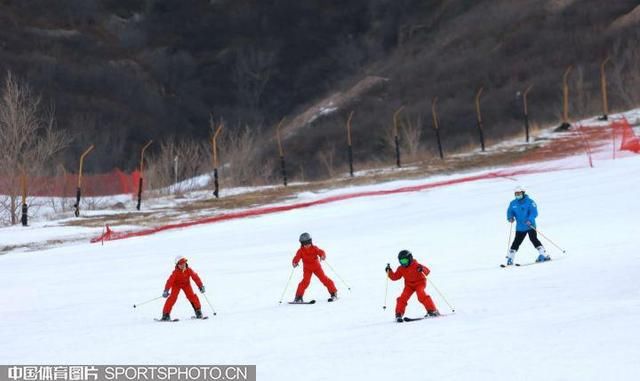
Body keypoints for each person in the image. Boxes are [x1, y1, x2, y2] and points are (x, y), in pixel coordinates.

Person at [386, 250, 439, 322]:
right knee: (402, 298)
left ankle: (432, 310)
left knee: (421, 294)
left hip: (420, 283)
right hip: (409, 285)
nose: (403, 263)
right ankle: (398, 314)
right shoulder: (401, 268)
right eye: (401, 261)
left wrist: (422, 269)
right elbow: (395, 277)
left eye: (405, 261)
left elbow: (427, 271)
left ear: (410, 258)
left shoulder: (416, 265)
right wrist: (389, 272)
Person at [506, 185, 550, 266]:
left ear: (523, 193)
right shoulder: (513, 203)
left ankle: (543, 254)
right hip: (520, 227)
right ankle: (510, 258)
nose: (517, 195)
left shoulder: (530, 202)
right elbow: (510, 212)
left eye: (519, 193)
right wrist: (510, 218)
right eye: (516, 194)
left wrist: (530, 220)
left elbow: (534, 213)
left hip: (530, 225)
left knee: (533, 239)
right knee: (516, 242)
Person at [292, 232, 338, 303]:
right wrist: (295, 262)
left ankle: (333, 292)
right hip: (307, 269)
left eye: (308, 243)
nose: (307, 245)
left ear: (311, 242)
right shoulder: (300, 251)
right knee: (305, 282)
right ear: (302, 244)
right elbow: (297, 257)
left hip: (317, 268)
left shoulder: (314, 248)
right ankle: (298, 297)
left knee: (324, 279)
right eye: (305, 244)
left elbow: (321, 252)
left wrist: (322, 255)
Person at [161, 256, 206, 320]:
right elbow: (170, 281)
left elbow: (195, 277)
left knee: (192, 296)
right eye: (181, 264)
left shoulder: (189, 270)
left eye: (184, 263)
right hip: (176, 285)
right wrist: (166, 290)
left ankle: (198, 311)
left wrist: (200, 286)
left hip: (186, 285)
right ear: (177, 265)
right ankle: (165, 315)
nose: (182, 265)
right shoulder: (175, 272)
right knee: (172, 298)